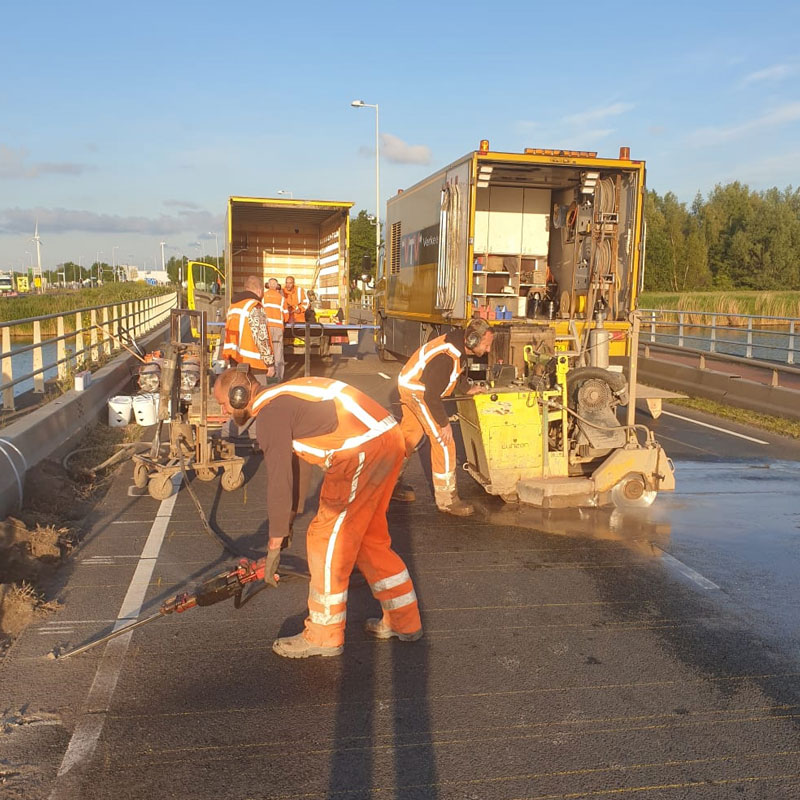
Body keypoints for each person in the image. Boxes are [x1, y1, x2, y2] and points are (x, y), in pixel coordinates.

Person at [213, 369, 423, 659]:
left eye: (223, 403)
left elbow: (279, 479)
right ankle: (405, 620)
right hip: (387, 440)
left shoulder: (271, 415)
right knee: (369, 540)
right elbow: (298, 465)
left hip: (360, 452)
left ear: (239, 395)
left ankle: (324, 636)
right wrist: (285, 524)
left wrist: (274, 543)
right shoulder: (285, 397)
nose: (223, 411)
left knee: (326, 540)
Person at [396, 318, 494, 516]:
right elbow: (431, 396)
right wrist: (443, 424)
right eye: (486, 344)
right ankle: (448, 499)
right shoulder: (447, 356)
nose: (488, 350)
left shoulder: (458, 346)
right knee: (444, 440)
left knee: (409, 437)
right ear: (473, 341)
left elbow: (453, 375)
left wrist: (468, 388)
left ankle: (386, 484)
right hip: (418, 390)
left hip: (411, 383)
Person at [223, 275, 275, 384]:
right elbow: (261, 337)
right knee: (257, 397)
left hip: (235, 360)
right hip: (254, 365)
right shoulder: (254, 307)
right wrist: (269, 364)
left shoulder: (233, 306)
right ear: (260, 291)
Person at [263, 278, 288, 381]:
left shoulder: (262, 297)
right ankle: (278, 378)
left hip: (266, 328)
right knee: (278, 353)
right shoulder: (281, 298)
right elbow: (286, 316)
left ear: (268, 285)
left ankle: (266, 376)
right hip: (277, 328)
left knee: (265, 350)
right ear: (277, 286)